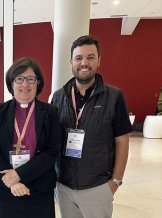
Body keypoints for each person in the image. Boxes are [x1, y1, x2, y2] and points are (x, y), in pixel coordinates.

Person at [51, 35, 133, 218]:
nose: (84, 63)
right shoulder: (58, 97)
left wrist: (115, 182)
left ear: (99, 60)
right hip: (64, 187)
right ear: (71, 62)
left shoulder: (114, 96)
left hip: (97, 187)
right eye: (79, 58)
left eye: (90, 57)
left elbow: (122, 141)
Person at [0, 58, 60, 218]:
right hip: (7, 188)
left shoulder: (50, 112)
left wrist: (19, 175)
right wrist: (11, 181)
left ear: (38, 83)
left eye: (30, 79)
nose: (25, 85)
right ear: (11, 83)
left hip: (40, 188)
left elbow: (52, 151)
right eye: (19, 79)